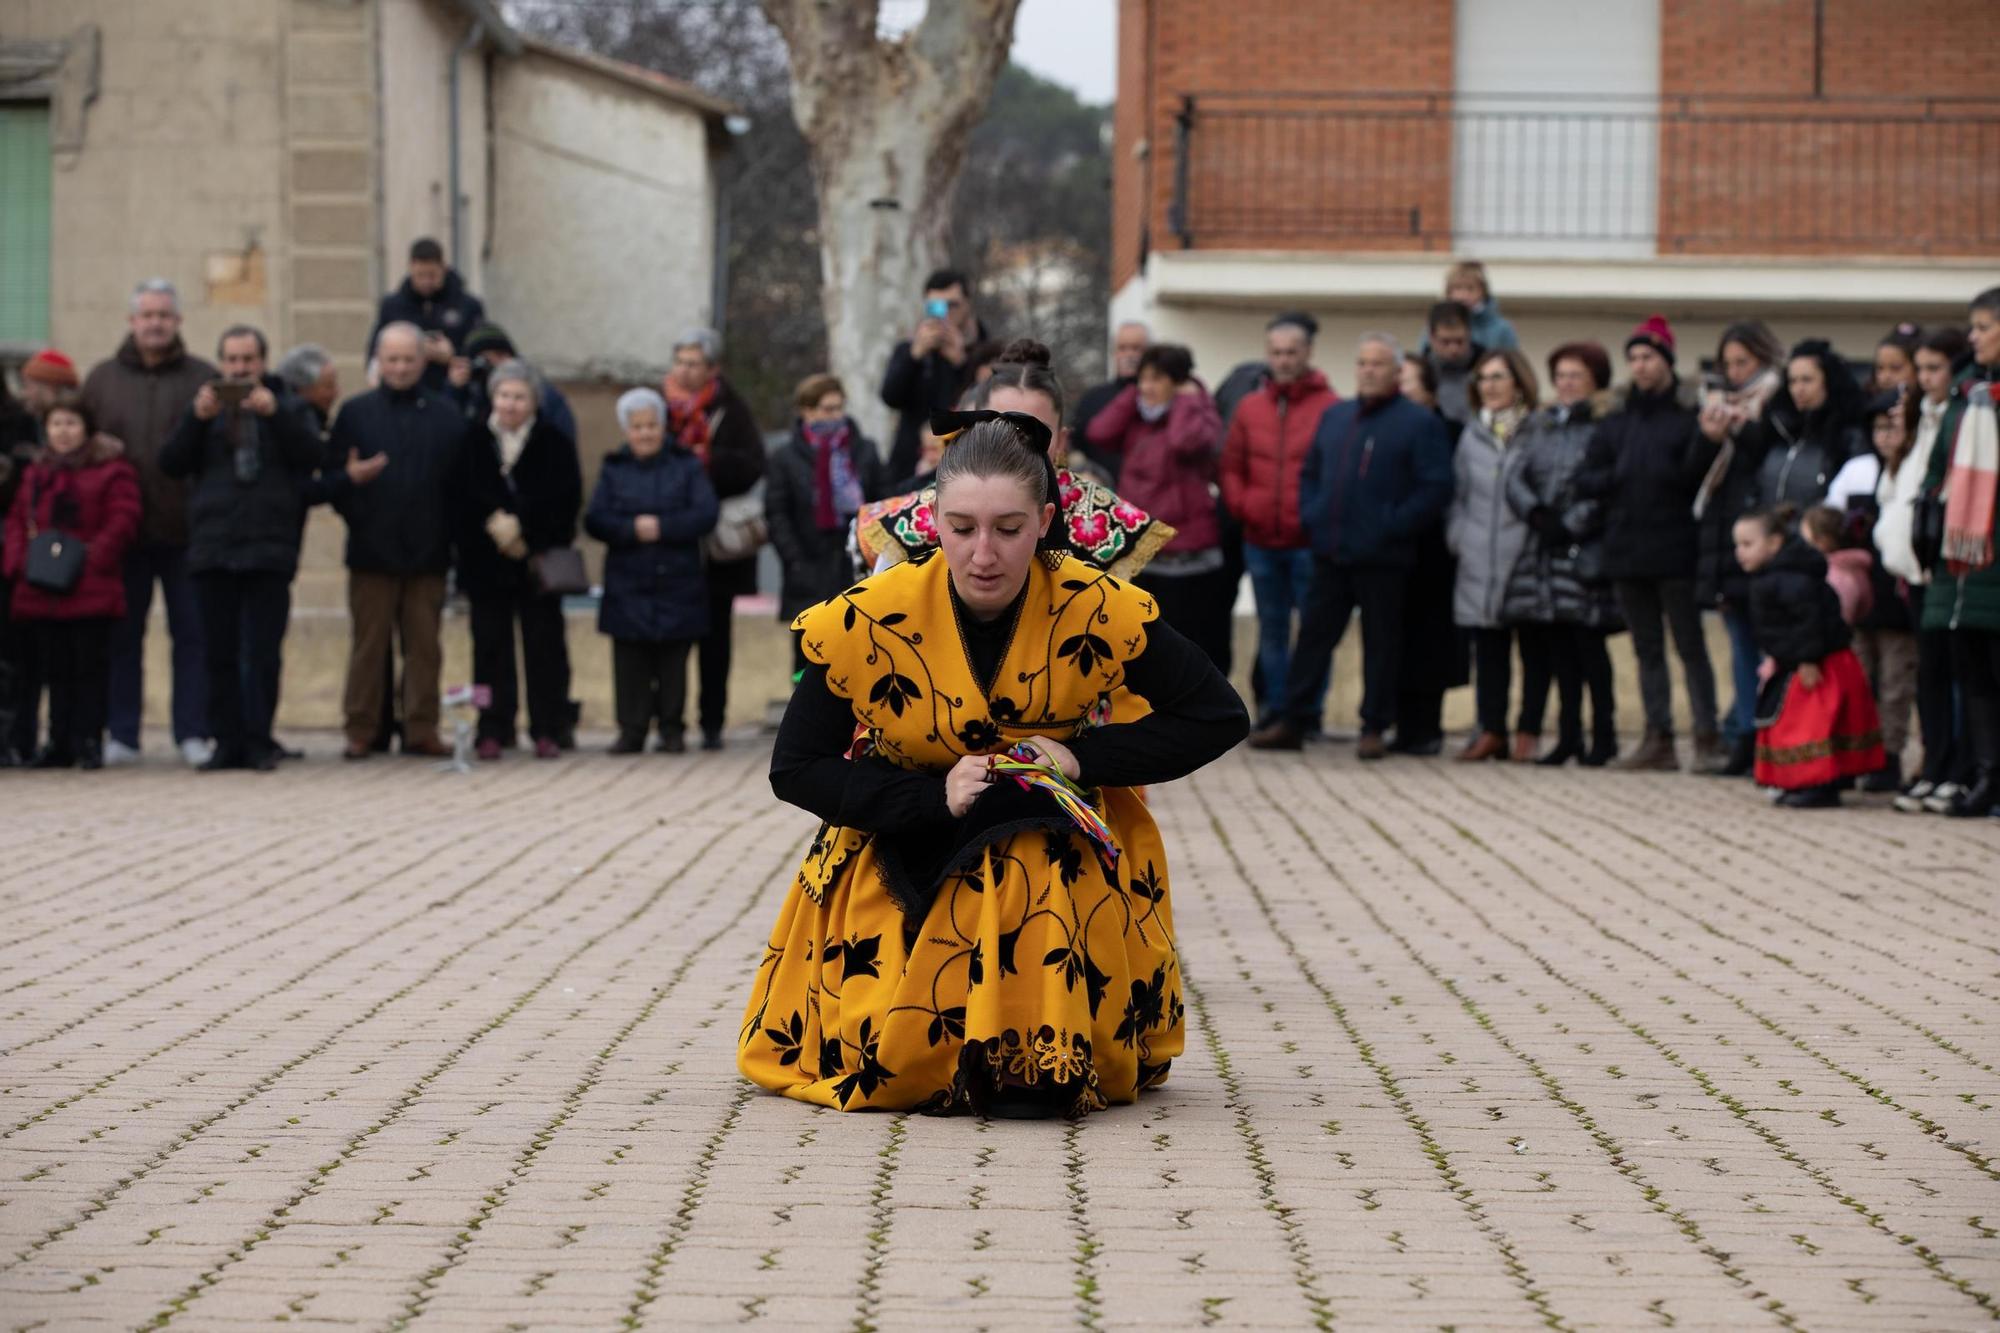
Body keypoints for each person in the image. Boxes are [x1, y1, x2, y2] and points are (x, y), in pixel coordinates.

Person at [739, 409, 1247, 1119]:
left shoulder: (1097, 605)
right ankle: (955, 1047)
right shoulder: (867, 617)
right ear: (933, 520)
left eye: (1008, 529)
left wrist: (1080, 755)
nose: (984, 553)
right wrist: (928, 795)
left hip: (1060, 856)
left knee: (1030, 841)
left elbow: (1219, 716)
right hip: (899, 844)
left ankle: (1040, 1051)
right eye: (962, 528)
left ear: (1044, 521)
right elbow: (795, 767)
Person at [1248, 333, 1454, 758]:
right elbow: (1312, 473)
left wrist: (1391, 526)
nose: (1368, 371)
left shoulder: (1418, 422)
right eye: (1362, 363)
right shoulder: (1337, 416)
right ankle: (1293, 720)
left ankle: (1374, 726)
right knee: (1312, 639)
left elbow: (1434, 487)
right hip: (1330, 550)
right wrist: (1314, 516)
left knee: (1381, 644)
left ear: (1397, 371)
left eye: (1378, 364)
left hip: (1385, 556)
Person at [856, 340, 1176, 582]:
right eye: (1002, 424)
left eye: (1035, 431)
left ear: (1062, 440)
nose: (1016, 443)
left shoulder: (1110, 524)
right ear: (972, 428)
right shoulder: (917, 519)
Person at [156, 326, 322, 772]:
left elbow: (313, 456)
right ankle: (225, 741)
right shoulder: (203, 407)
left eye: (248, 360)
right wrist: (196, 418)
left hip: (268, 546)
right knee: (218, 651)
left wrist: (277, 415)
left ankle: (258, 739)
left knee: (263, 652)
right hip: (214, 546)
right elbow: (170, 462)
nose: (239, 368)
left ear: (263, 362)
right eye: (231, 360)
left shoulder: (290, 406)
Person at [1575, 315, 1723, 772]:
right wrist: (1615, 478)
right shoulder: (1615, 424)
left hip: (1676, 549)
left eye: (1648, 357)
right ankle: (1657, 738)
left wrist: (1704, 442)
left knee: (1690, 646)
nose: (1640, 366)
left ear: (1667, 361)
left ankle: (1706, 736)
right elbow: (1586, 478)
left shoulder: (1684, 420)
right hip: (1626, 550)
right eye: (1633, 358)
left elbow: (1693, 476)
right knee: (1646, 649)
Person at [81, 278, 216, 767]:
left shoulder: (204, 378)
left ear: (178, 322)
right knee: (122, 639)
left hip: (187, 532)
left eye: (164, 315)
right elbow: (77, 447)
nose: (155, 323)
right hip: (122, 538)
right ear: (131, 322)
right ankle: (122, 734)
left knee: (192, 637)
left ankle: (193, 733)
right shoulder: (100, 380)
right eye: (147, 315)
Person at [323, 322, 469, 761]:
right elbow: (336, 481)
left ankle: (421, 727)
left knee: (424, 646)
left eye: (409, 359)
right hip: (372, 551)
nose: (401, 368)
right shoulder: (355, 413)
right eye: (393, 359)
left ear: (423, 362)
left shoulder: (447, 416)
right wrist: (362, 512)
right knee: (369, 646)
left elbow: (460, 487)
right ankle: (362, 728)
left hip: (428, 552)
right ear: (378, 362)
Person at [2, 396, 140, 769]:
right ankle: (58, 741)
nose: (64, 432)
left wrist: (92, 558)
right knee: (53, 670)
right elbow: (16, 518)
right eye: (56, 424)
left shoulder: (111, 470)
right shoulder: (36, 472)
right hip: (41, 586)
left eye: (71, 424)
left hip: (90, 585)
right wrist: (19, 561)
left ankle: (88, 741)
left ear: (87, 429)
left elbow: (123, 517)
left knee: (89, 670)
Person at [456, 360, 583, 761]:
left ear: (533, 402)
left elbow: (566, 501)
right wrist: (493, 525)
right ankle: (492, 728)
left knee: (545, 650)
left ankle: (549, 728)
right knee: (489, 650)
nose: (510, 404)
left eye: (519, 397)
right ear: (493, 398)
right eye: (504, 395)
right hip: (486, 565)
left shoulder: (554, 442)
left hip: (536, 565)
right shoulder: (473, 439)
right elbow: (458, 497)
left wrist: (524, 532)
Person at [1503, 342, 1621, 767]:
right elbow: (1513, 474)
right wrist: (1535, 513)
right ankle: (1568, 734)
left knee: (1589, 649)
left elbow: (1608, 485)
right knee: (1558, 651)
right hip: (1542, 548)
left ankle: (1604, 735)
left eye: (1576, 375)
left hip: (1584, 550)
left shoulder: (1606, 426)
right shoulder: (1537, 425)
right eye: (1561, 376)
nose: (1567, 384)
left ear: (1595, 380)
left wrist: (1571, 522)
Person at [1221, 314, 1340, 729]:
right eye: (1276, 352)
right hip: (1261, 540)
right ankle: (1276, 710)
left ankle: (1309, 712)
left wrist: (1316, 519)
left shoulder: (1331, 407)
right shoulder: (1250, 408)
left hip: (1309, 541)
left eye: (1291, 352)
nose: (1283, 360)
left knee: (1313, 632)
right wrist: (1243, 506)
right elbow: (1231, 466)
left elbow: (1335, 473)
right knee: (1271, 631)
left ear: (1307, 353)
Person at [586, 387, 718, 755]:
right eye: (637, 426)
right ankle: (632, 729)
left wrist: (663, 527)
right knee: (630, 661)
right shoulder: (614, 467)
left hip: (678, 579)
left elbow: (705, 513)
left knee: (674, 661)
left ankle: (672, 728)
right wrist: (631, 529)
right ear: (626, 430)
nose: (645, 433)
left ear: (663, 427)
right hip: (628, 579)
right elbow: (596, 519)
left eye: (651, 425)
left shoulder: (686, 465)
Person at [1085, 344, 1230, 668]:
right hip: (1142, 546)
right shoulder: (1137, 416)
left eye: (1156, 379)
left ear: (1177, 382)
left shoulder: (1199, 413)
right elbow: (1098, 431)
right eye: (1142, 379)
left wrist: (1188, 400)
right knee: (1141, 644)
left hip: (1186, 552)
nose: (1146, 387)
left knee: (1188, 642)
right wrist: (1132, 395)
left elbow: (1183, 440)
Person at [1737, 506, 1884, 808]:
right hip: (1795, 660)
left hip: (1816, 665)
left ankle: (1820, 783)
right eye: (1737, 545)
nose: (1740, 553)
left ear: (1775, 544)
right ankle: (1799, 779)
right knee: (1790, 723)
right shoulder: (1773, 578)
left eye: (1748, 544)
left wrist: (1807, 659)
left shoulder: (1792, 579)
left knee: (1810, 727)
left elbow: (1809, 620)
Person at [1882, 326, 1972, 812]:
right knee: (1928, 676)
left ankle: (1959, 768)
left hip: (1943, 567)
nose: (1925, 377)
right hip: (1912, 569)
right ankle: (1934, 765)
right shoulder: (1919, 418)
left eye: (1935, 367)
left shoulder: (1961, 416)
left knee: (1954, 672)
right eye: (1922, 369)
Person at [1918, 286, 2000, 818]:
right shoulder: (1967, 398)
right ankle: (1987, 775)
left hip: (1994, 561)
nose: (1973, 338)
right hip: (1960, 564)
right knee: (1975, 675)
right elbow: (1936, 474)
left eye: (1983, 327)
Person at [663, 328, 766, 751]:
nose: (686, 371)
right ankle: (667, 722)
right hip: (671, 540)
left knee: (715, 637)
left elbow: (751, 465)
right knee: (669, 637)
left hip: (717, 545)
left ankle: (711, 722)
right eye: (681, 362)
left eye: (694, 363)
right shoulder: (658, 405)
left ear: (712, 369)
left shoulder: (731, 409)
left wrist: (704, 463)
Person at [1693, 320, 1788, 775]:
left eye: (1742, 363)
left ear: (1764, 360)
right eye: (1727, 364)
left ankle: (1766, 738)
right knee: (1740, 649)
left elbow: (1767, 455)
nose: (1733, 373)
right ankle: (1745, 738)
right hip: (1724, 545)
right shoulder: (1716, 408)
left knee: (1768, 649)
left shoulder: (1777, 404)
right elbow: (1694, 477)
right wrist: (1709, 438)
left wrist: (1737, 431)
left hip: (1764, 542)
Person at [1448, 348, 1537, 761]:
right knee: (1487, 649)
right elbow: (1460, 496)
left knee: (1534, 650)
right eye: (1483, 379)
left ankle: (1528, 729)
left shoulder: (1536, 430)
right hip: (1478, 556)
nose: (1490, 386)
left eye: (1499, 377)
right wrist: (1459, 537)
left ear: (1518, 382)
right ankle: (1491, 728)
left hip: (1525, 555)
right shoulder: (1471, 434)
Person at [766, 374, 885, 673]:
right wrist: (795, 560)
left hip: (855, 565)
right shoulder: (786, 457)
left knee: (858, 651)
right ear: (807, 411)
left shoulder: (863, 450)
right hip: (808, 566)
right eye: (826, 408)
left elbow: (881, 503)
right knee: (808, 655)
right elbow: (777, 512)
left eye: (838, 408)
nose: (835, 416)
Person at [879, 269, 988, 482]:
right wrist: (914, 357)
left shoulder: (985, 350)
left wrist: (961, 364)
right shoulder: (911, 350)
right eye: (936, 307)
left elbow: (991, 406)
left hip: (969, 465)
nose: (945, 313)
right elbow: (890, 397)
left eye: (952, 305)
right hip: (913, 467)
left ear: (967, 303)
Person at [366, 237, 485, 395]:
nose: (426, 282)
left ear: (443, 268)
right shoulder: (393, 306)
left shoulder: (467, 306)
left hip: (452, 392)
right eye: (420, 275)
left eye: (432, 275)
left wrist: (451, 355)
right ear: (410, 268)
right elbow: (375, 350)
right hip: (402, 392)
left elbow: (480, 354)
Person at [451, 322, 578, 443]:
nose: (494, 364)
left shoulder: (542, 392)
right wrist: (455, 390)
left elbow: (563, 439)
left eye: (500, 355)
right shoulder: (471, 391)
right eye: (483, 360)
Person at [1072, 320, 1150, 471]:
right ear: (1114, 352)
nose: (1129, 355)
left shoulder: (1159, 399)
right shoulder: (1093, 398)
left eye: (1136, 348)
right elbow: (1075, 445)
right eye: (1122, 348)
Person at [1426, 260, 1520, 354]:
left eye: (1470, 288)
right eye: (1458, 288)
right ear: (1448, 292)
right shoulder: (1435, 326)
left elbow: (1512, 362)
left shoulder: (1501, 329)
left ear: (1482, 292)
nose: (1463, 295)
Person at [1423, 301, 1482, 432]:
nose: (1453, 349)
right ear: (1431, 338)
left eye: (1460, 341)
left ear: (1470, 334)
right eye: (1445, 342)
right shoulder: (1420, 372)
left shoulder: (1486, 367)